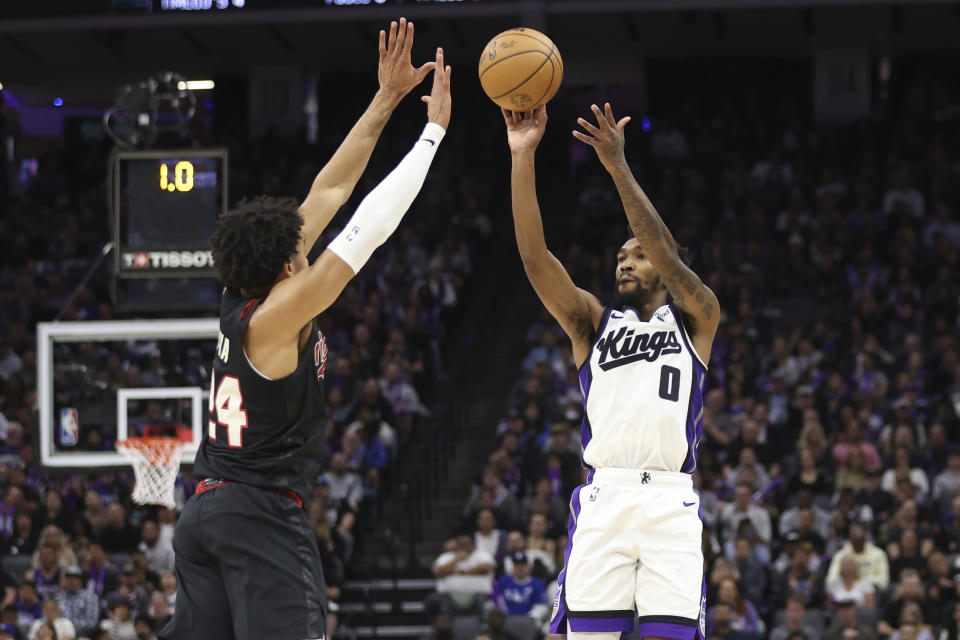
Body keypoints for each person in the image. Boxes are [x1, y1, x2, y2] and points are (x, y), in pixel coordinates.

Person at [160, 17, 452, 640]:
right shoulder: (276, 317)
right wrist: (430, 135)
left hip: (205, 512)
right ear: (285, 266)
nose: (307, 246)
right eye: (300, 250)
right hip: (258, 513)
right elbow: (365, 229)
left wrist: (386, 99)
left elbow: (334, 187)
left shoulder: (248, 293)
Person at [504, 101, 720, 639]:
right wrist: (522, 156)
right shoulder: (592, 325)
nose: (625, 261)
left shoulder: (698, 317)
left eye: (637, 255)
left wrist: (617, 165)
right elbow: (535, 259)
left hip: (671, 500)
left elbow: (666, 251)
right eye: (620, 256)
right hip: (607, 496)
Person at [55, 566, 99, 638]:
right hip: (61, 632)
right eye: (68, 578)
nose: (71, 581)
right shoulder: (59, 597)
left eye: (75, 578)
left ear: (81, 581)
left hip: (82, 633)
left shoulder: (89, 597)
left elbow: (92, 623)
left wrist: (72, 629)